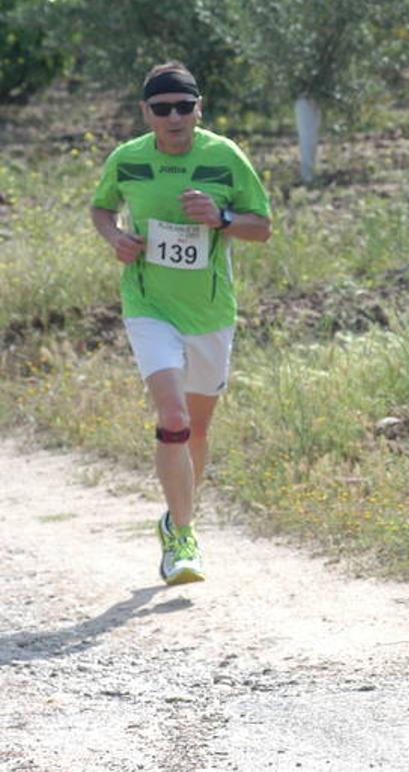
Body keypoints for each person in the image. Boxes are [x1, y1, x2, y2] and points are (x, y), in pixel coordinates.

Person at [90, 61, 271, 586]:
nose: (174, 117)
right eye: (162, 108)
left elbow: (263, 228)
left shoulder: (224, 157)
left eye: (184, 106)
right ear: (145, 112)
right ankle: (183, 539)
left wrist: (223, 219)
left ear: (199, 108)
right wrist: (115, 238)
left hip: (210, 312)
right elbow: (101, 209)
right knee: (172, 418)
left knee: (197, 428)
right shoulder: (128, 160)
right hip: (149, 306)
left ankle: (175, 513)